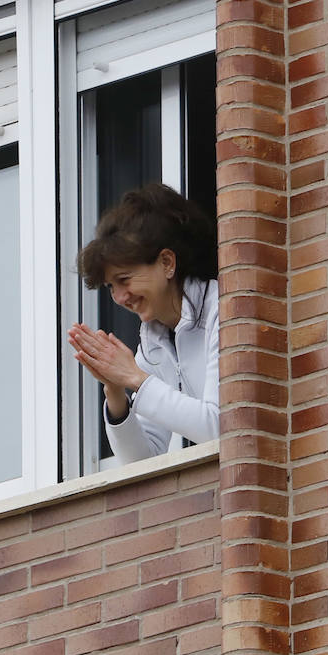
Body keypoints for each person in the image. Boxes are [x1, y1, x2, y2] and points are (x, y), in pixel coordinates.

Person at [68, 183, 219, 463]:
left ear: (166, 262)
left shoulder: (222, 312)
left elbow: (219, 427)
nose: (120, 297)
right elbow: (140, 461)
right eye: (111, 287)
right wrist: (115, 391)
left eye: (125, 280)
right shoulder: (153, 341)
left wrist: (135, 378)